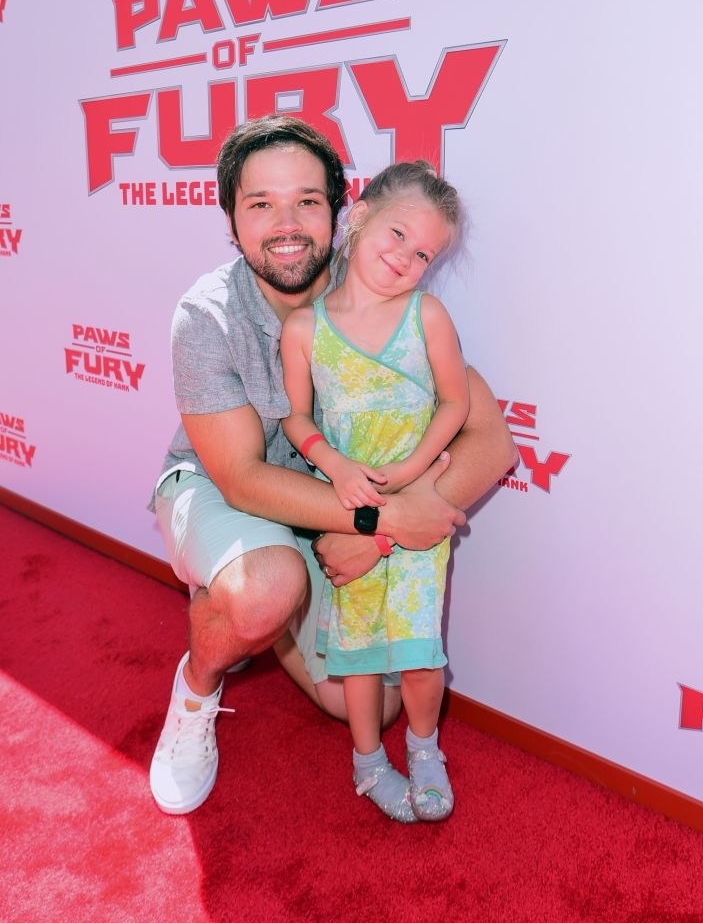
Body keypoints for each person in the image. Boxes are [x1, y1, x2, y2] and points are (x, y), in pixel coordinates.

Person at [148, 114, 517, 816]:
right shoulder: (207, 315)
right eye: (260, 204)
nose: (286, 223)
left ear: (341, 206)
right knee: (267, 584)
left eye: (307, 201)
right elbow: (244, 478)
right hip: (223, 487)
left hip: (332, 506)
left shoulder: (381, 281)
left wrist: (374, 534)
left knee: (368, 702)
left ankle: (265, 614)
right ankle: (199, 683)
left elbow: (491, 440)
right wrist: (383, 521)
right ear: (231, 221)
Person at [280, 161, 469, 822]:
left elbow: (455, 402)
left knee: (420, 652)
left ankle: (425, 750)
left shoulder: (428, 317)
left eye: (423, 254)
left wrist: (418, 467)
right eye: (397, 235)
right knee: (358, 654)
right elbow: (296, 418)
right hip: (350, 512)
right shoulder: (305, 330)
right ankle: (367, 761)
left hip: (416, 516)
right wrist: (330, 461)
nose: (406, 259)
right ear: (358, 216)